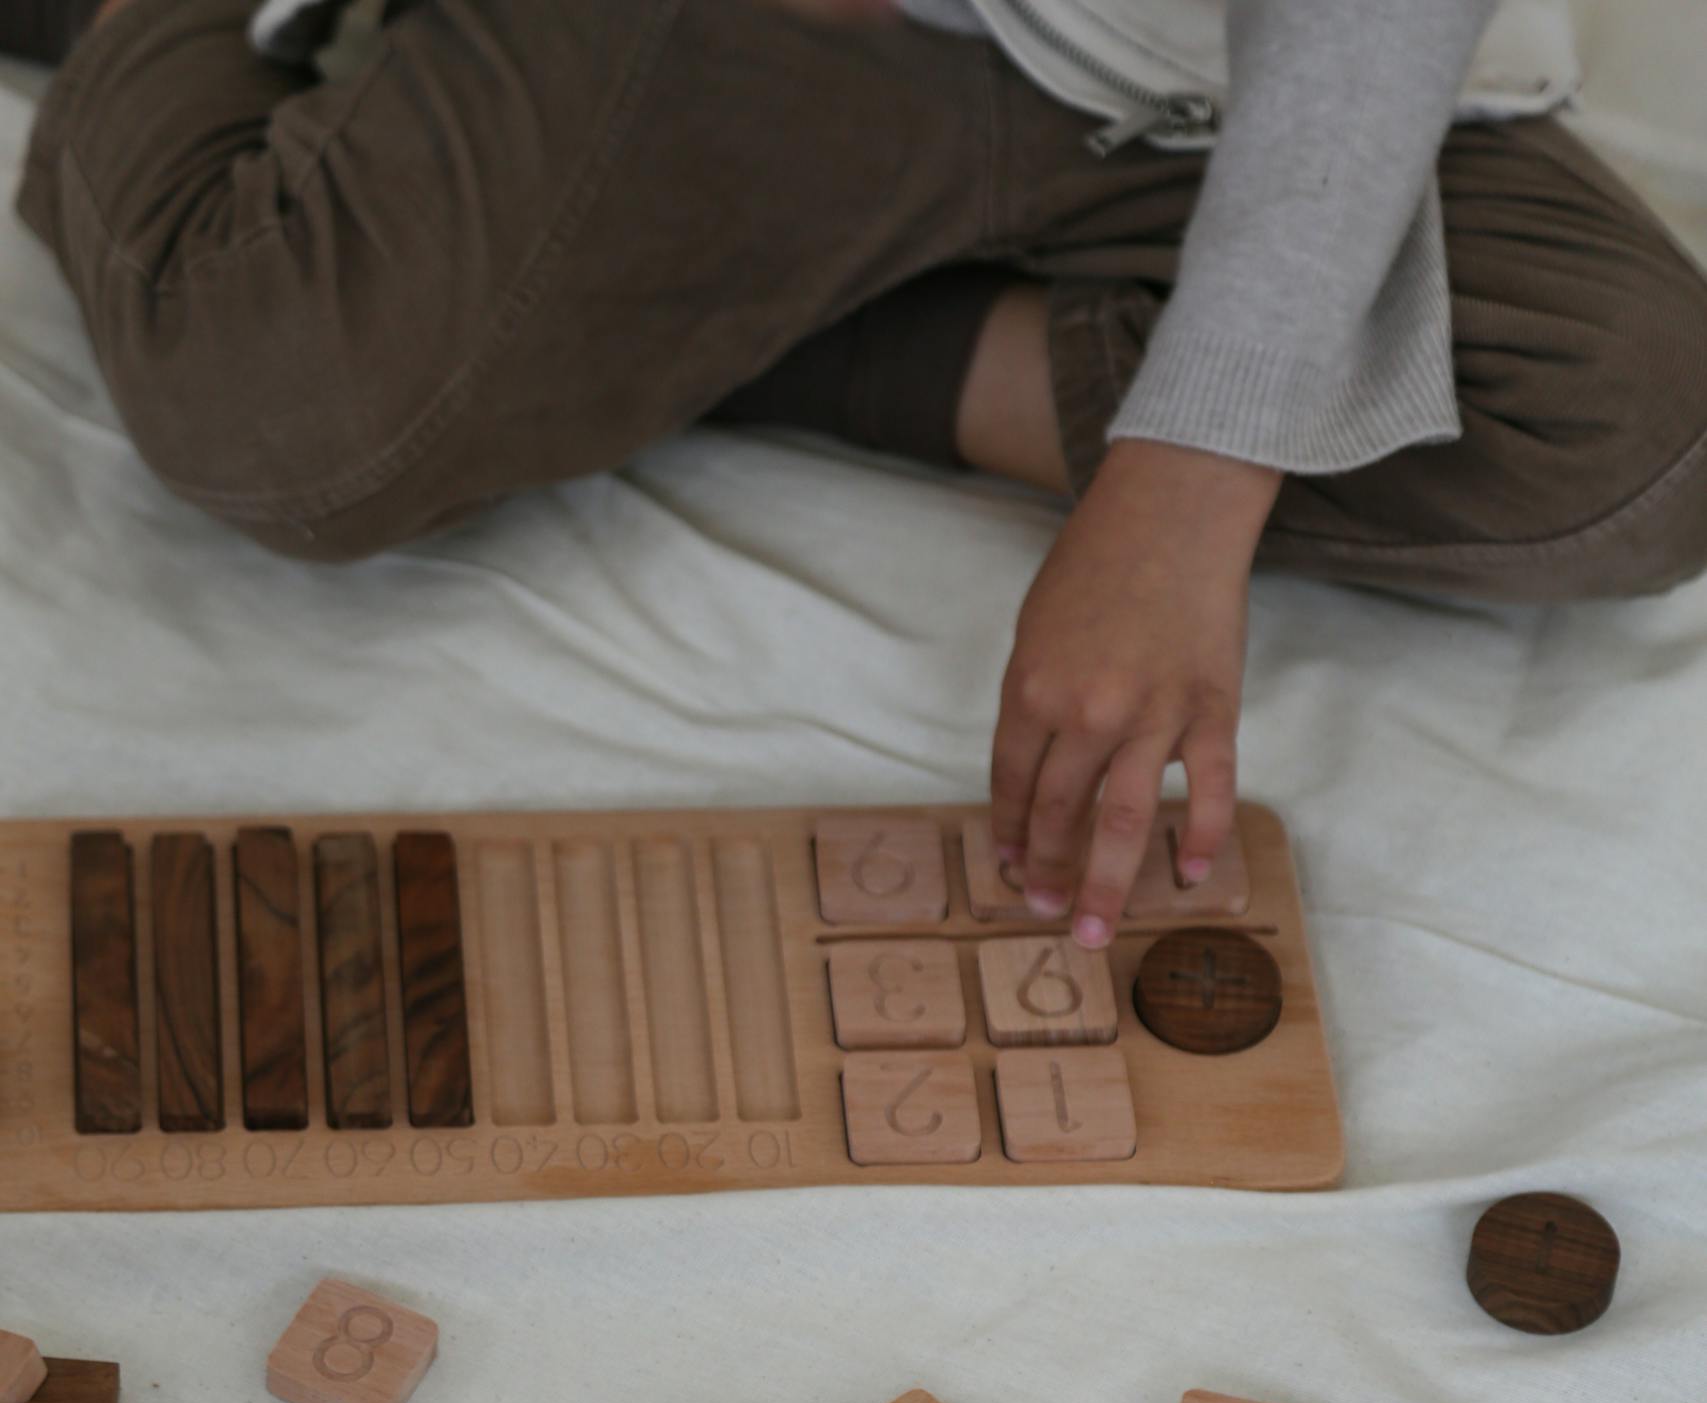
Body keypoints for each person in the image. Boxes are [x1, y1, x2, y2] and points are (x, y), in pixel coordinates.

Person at [8, 0, 1707, 946]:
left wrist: (1195, 472)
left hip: (1191, 53)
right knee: (292, 427)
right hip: (746, 29)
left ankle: (738, 331)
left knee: (1628, 444)